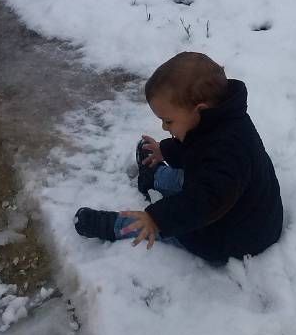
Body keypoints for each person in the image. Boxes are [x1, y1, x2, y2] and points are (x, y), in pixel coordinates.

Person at [74, 52, 283, 264]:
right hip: (238, 203)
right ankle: (154, 177)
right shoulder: (218, 119)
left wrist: (157, 218)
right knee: (196, 177)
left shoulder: (229, 151)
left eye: (168, 121)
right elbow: (197, 145)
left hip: (236, 236)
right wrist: (165, 150)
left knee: (175, 223)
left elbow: (202, 204)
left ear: (199, 110)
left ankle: (118, 226)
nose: (164, 127)